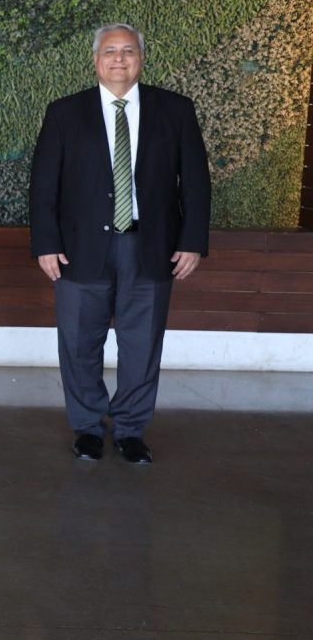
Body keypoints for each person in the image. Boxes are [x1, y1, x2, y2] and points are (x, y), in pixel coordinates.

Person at [29, 23, 210, 463]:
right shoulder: (64, 113)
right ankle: (88, 428)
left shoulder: (176, 110)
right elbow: (43, 185)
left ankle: (130, 430)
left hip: (151, 246)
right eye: (110, 51)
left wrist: (192, 241)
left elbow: (196, 182)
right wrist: (46, 243)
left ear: (141, 59)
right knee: (79, 343)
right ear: (96, 60)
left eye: (128, 51)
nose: (119, 59)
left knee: (142, 344)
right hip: (78, 250)